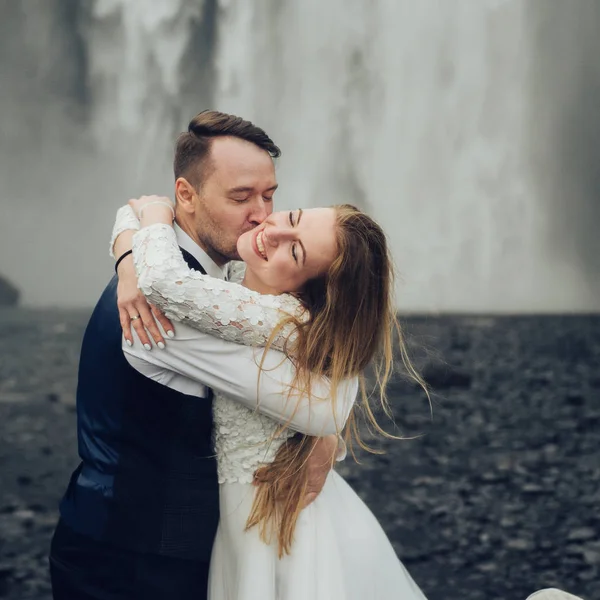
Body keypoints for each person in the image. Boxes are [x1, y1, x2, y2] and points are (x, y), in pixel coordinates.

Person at [49, 111, 355, 600]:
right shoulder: (162, 303)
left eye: (270, 195)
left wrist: (130, 245)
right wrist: (324, 429)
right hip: (132, 561)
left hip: (154, 550)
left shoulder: (217, 277)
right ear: (185, 197)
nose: (262, 215)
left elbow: (138, 212)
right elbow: (314, 397)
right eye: (241, 197)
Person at [108, 188, 429, 600]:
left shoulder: (278, 317)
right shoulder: (240, 283)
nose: (272, 233)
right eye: (291, 217)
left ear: (306, 293)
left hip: (272, 527)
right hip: (262, 512)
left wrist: (152, 222)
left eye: (295, 254)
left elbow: (162, 279)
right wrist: (126, 261)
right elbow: (129, 211)